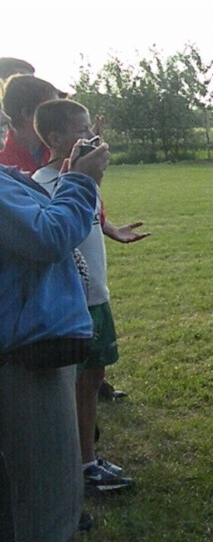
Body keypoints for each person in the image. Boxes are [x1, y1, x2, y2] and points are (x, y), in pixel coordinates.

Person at [0, 135, 110, 541]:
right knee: (47, 499)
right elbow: (47, 237)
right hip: (23, 359)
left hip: (22, 349)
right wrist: (81, 182)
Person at [33, 98, 144, 493]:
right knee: (69, 388)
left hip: (97, 297)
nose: (91, 138)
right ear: (54, 139)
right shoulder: (41, 186)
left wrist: (111, 228)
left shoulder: (85, 182)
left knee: (94, 378)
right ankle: (73, 467)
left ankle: (87, 461)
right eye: (81, 131)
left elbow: (91, 216)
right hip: (70, 305)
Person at [0, 75, 58, 175]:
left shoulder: (61, 149)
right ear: (27, 113)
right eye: (52, 109)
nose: (61, 115)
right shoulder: (3, 158)